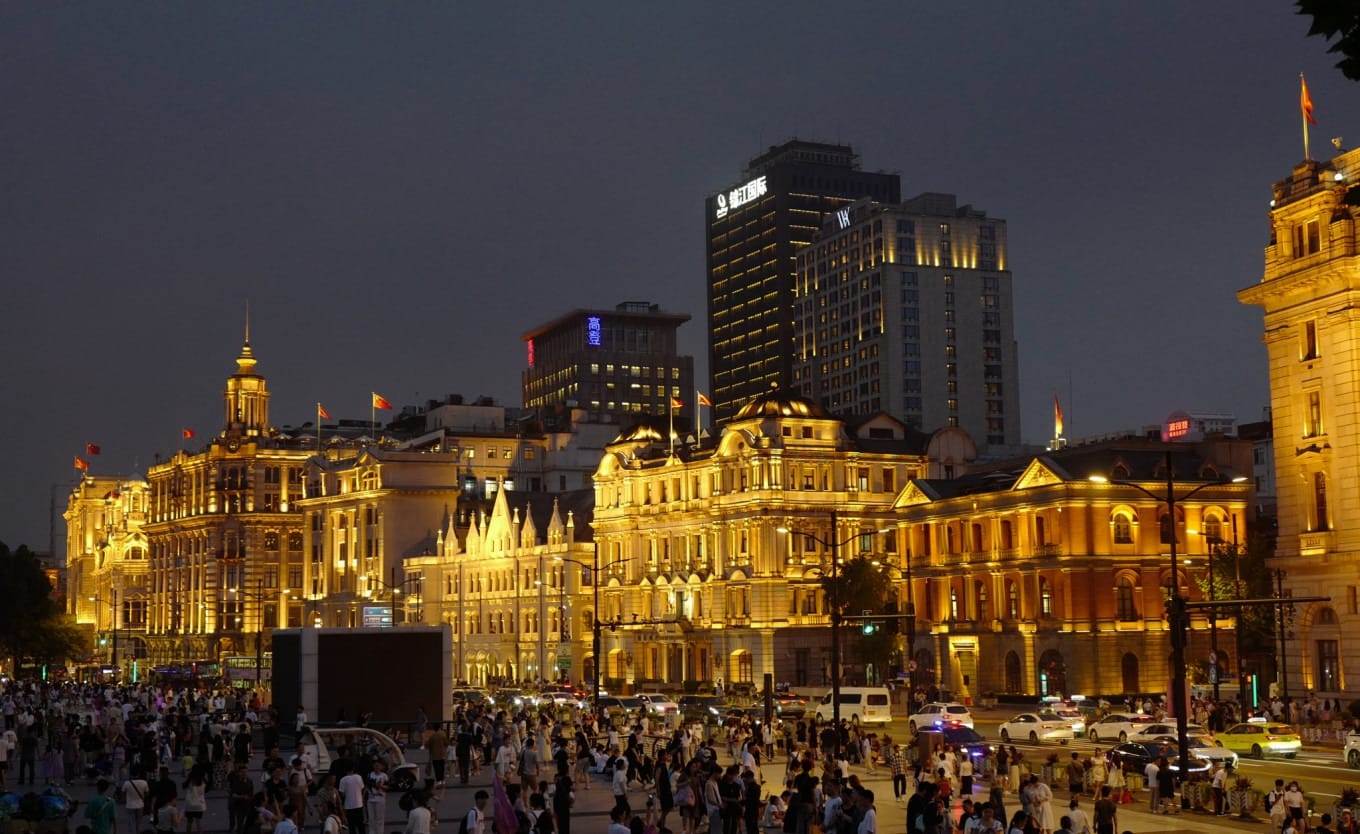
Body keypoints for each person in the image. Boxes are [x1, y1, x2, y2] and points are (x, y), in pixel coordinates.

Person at [339, 764, 368, 834]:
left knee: (351, 825)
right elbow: (362, 788)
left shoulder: (343, 779)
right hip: (359, 804)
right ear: (353, 769)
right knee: (360, 824)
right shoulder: (359, 777)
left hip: (349, 806)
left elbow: (342, 793)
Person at [121, 767, 150, 834]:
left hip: (130, 805)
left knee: (131, 822)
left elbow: (123, 793)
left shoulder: (126, 783)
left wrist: (126, 798)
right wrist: (142, 797)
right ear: (138, 774)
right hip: (140, 805)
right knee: (139, 822)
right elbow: (147, 793)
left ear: (131, 774)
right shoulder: (144, 782)